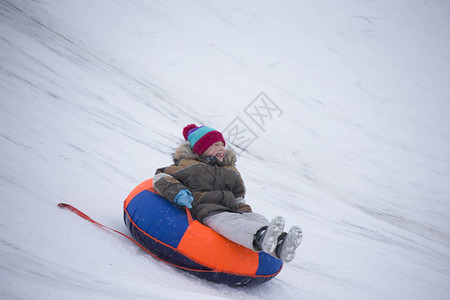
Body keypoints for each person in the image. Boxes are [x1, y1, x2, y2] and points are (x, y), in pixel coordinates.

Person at [153, 124, 302, 262]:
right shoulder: (189, 166)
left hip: (233, 209)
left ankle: (281, 243)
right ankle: (261, 236)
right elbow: (161, 176)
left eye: (222, 145)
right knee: (232, 224)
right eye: (215, 145)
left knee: (255, 217)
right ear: (200, 149)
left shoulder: (230, 170)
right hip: (208, 211)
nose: (221, 148)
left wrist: (245, 211)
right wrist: (178, 193)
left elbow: (238, 196)